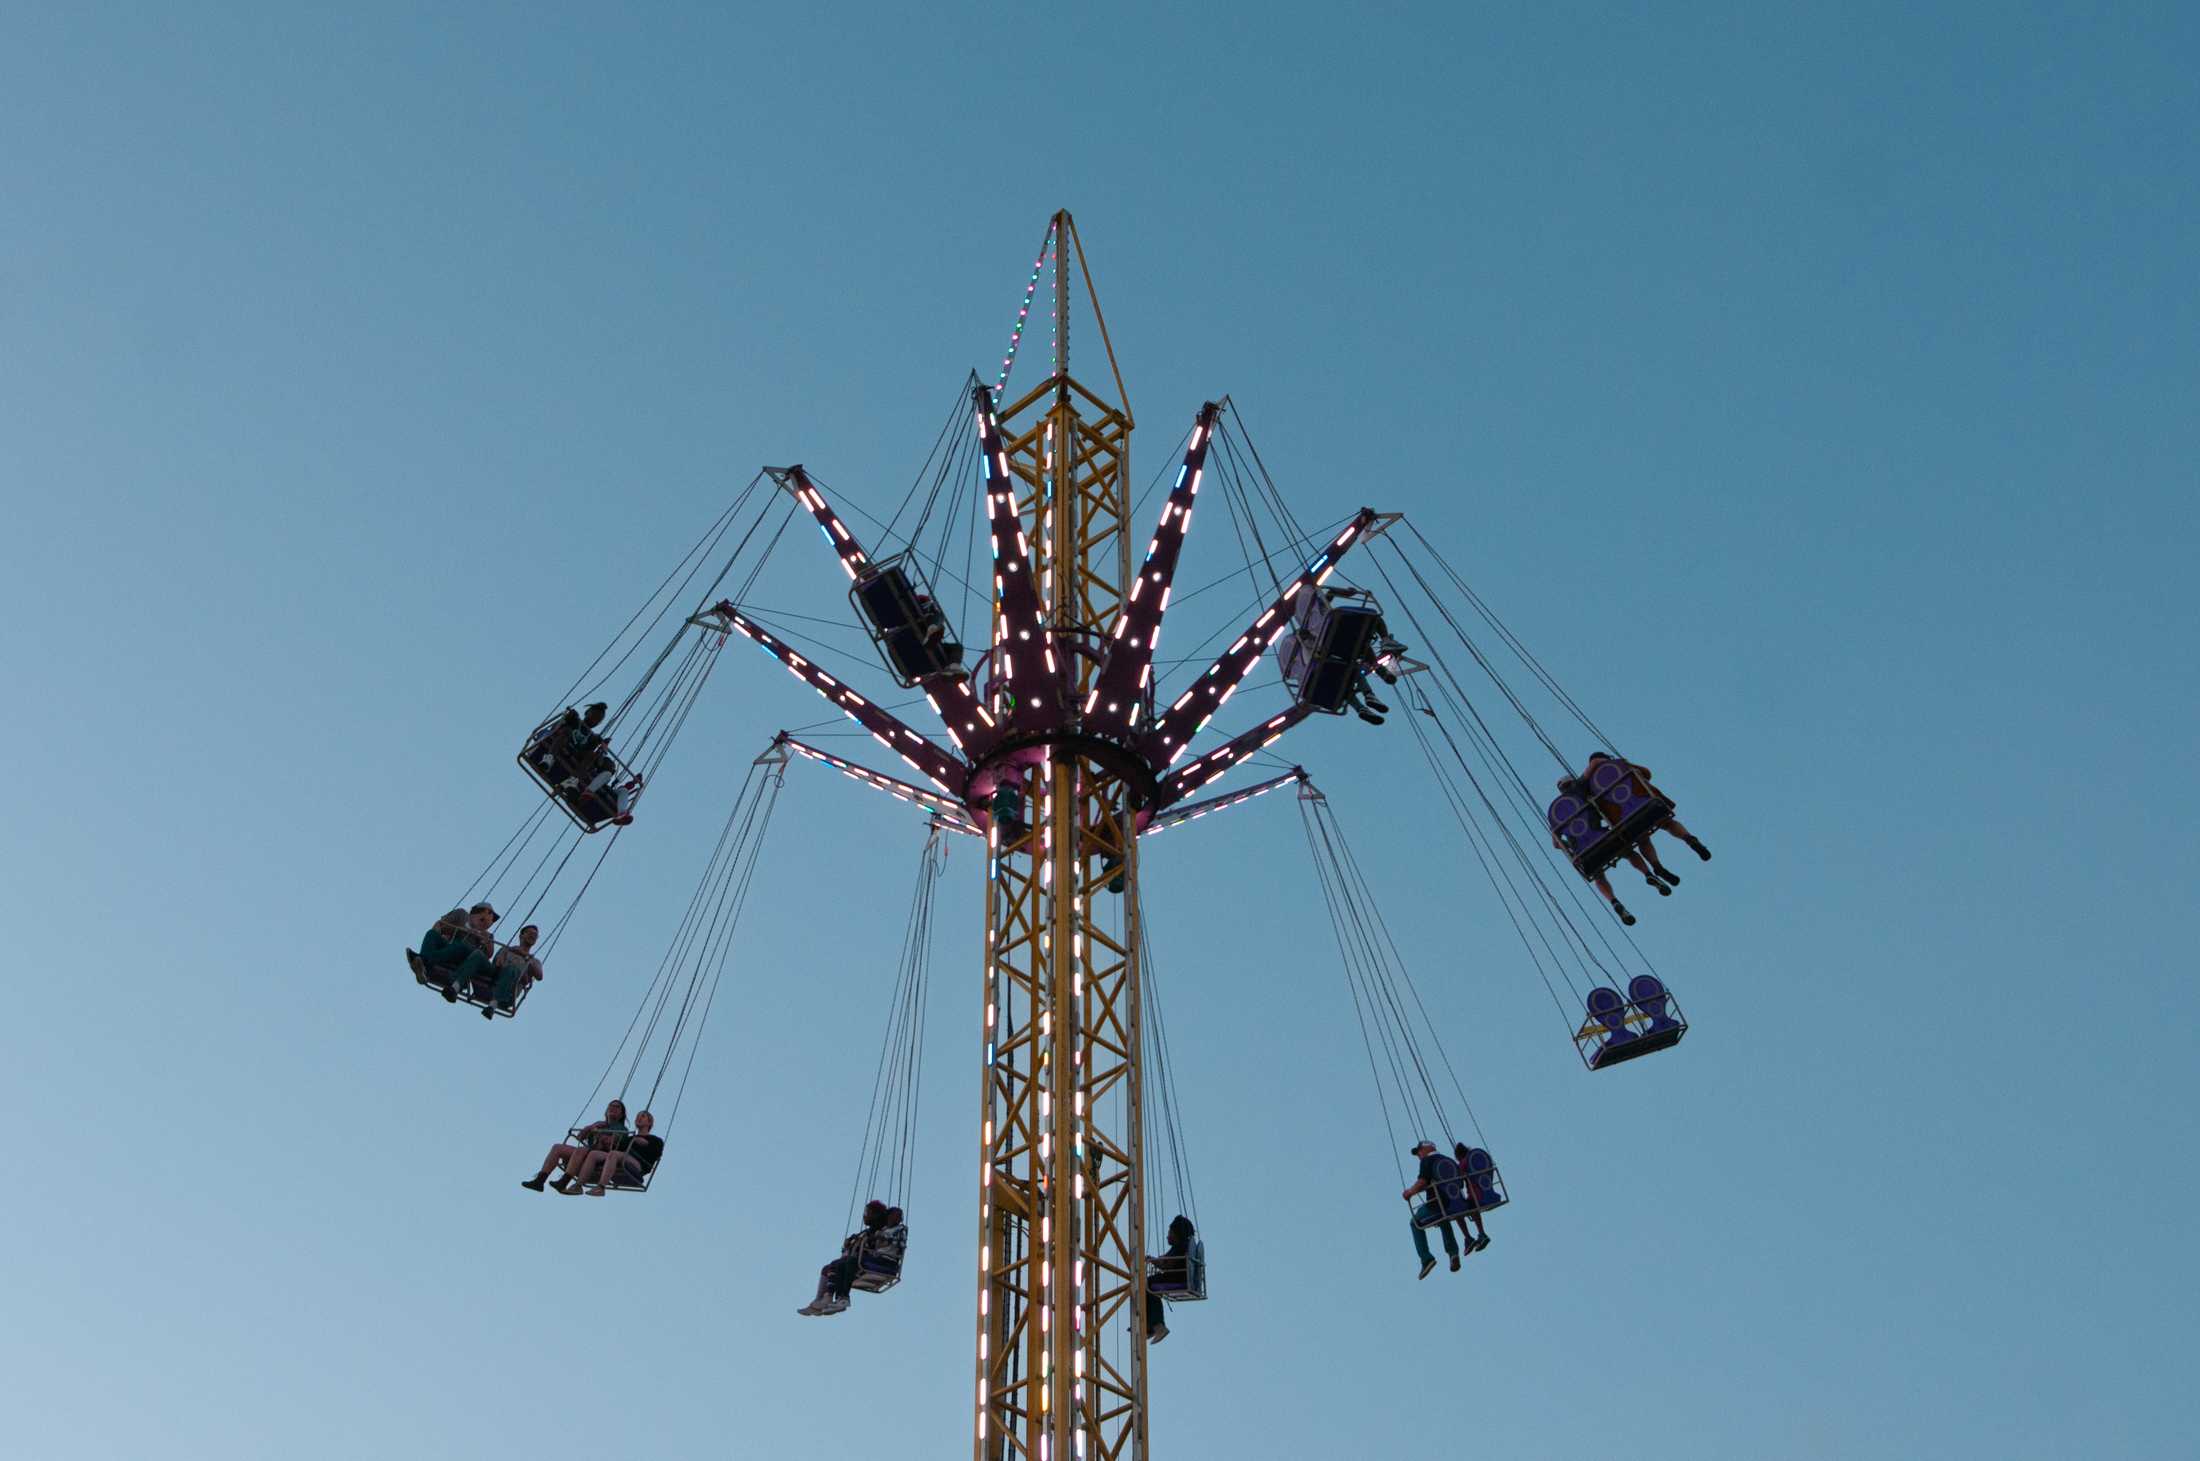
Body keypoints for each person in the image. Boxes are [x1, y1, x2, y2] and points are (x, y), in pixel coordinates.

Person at [1584, 752, 1711, 879]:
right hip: (1646, 803)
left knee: (1642, 840)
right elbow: (1647, 774)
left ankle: (1657, 867)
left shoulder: (1590, 784)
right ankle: (1690, 840)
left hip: (1624, 818)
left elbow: (1595, 809)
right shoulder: (1621, 765)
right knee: (1668, 823)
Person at [797, 1200, 900, 1316]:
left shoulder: (887, 1231)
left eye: (868, 1213)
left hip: (883, 1261)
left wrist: (868, 1240)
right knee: (829, 1267)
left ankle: (838, 1297)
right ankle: (820, 1299)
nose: (864, 1216)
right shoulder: (869, 1231)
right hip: (870, 1258)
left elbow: (879, 1243)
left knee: (845, 1262)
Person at [520, 1101, 627, 1192]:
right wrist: (591, 1127)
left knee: (581, 1150)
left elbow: (610, 1143)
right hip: (588, 1151)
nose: (613, 1108)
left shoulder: (621, 1128)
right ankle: (540, 1180)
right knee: (557, 1148)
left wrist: (599, 1134)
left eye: (617, 1107)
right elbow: (580, 1137)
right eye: (611, 1106)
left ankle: (564, 1181)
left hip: (603, 1155)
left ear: (621, 1114)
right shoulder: (599, 1124)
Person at [1402, 1139, 1464, 1278]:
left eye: (1419, 1152)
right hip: (1456, 1203)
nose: (1419, 1156)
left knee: (1415, 1223)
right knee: (1443, 1219)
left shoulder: (1427, 1161)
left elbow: (1422, 1181)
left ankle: (1426, 1258)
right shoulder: (1449, 1160)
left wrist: (1410, 1192)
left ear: (1426, 1149)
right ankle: (1453, 1253)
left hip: (1437, 1205)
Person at [567, 1109, 664, 1195]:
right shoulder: (629, 1138)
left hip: (639, 1164)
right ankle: (578, 1185)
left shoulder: (655, 1140)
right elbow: (618, 1148)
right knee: (594, 1154)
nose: (638, 1118)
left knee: (614, 1154)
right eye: (637, 1117)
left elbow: (656, 1153)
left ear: (650, 1122)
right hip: (622, 1158)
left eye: (642, 1116)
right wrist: (605, 1141)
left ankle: (601, 1187)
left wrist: (644, 1143)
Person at [416, 903, 500, 1003]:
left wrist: (483, 940)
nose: (491, 921)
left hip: (465, 958)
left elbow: (488, 955)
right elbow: (439, 926)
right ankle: (422, 965)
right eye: (491, 917)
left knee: (461, 946)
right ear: (483, 912)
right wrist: (463, 930)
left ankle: (424, 961)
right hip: (449, 949)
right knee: (431, 934)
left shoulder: (488, 935)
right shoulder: (461, 914)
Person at [1145, 1214, 1198, 1345]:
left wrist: (1151, 1260)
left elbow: (1166, 1264)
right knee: (1150, 1285)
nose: (1167, 1235)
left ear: (1177, 1233)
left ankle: (1156, 1325)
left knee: (1147, 1285)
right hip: (1178, 1278)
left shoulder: (1180, 1247)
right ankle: (1151, 1325)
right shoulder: (1182, 1247)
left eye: (1170, 1232)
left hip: (1176, 1279)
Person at [486, 923, 546, 1019]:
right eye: (530, 933)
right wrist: (506, 954)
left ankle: (493, 1004)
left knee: (513, 970)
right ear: (521, 935)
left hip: (509, 995)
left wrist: (526, 957)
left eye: (535, 935)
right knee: (510, 969)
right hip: (493, 985)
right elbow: (496, 964)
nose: (532, 936)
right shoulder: (507, 949)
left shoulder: (534, 961)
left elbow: (539, 976)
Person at [1449, 1142, 1494, 1255]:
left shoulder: (1464, 1163)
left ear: (1458, 1156)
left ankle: (1468, 1238)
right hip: (1490, 1194)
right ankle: (1481, 1233)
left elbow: (1458, 1182)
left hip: (1477, 1197)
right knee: (1472, 1205)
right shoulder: (1480, 1158)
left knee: (1457, 1211)